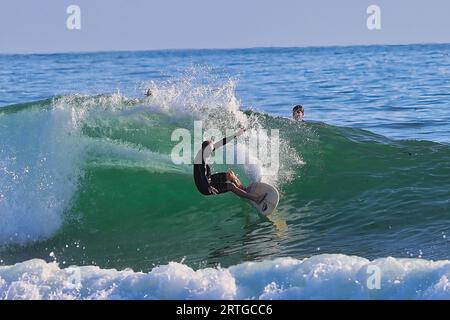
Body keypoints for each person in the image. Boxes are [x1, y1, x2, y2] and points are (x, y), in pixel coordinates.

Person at [193, 129, 266, 203]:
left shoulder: (208, 149)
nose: (211, 152)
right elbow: (202, 175)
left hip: (209, 179)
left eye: (212, 150)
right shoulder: (200, 159)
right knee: (231, 186)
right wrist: (209, 187)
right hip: (204, 187)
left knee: (230, 175)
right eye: (210, 151)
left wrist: (236, 135)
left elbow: (222, 142)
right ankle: (256, 199)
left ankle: (243, 190)